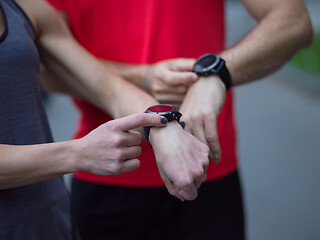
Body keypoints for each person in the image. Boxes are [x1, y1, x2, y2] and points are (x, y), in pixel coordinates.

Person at [46, 0, 313, 239]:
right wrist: (143, 76)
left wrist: (217, 74)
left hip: (204, 167)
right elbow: (47, 68)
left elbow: (294, 21)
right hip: (106, 167)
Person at [0, 0, 210, 239]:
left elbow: (109, 88)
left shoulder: (23, 7)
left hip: (50, 222)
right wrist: (77, 153)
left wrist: (165, 127)